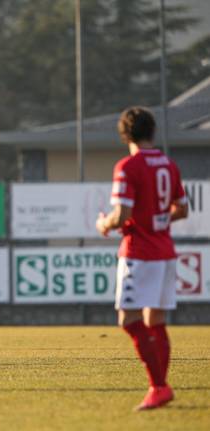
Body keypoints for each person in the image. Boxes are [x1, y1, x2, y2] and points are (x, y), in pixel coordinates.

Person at [95, 107, 188, 411]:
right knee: (155, 320)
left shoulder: (128, 166)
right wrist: (159, 221)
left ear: (125, 135)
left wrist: (103, 224)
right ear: (152, 131)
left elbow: (122, 216)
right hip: (165, 251)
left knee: (129, 319)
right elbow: (182, 209)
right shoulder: (169, 165)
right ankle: (161, 387)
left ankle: (159, 386)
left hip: (140, 253)